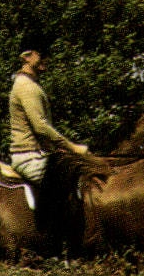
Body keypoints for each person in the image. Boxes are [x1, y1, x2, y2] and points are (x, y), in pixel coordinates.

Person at [8, 36, 91, 250]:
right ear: (26, 57)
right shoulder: (26, 87)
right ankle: (58, 247)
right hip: (29, 157)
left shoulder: (31, 85)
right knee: (67, 182)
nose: (47, 59)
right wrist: (73, 148)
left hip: (38, 154)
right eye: (42, 55)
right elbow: (41, 127)